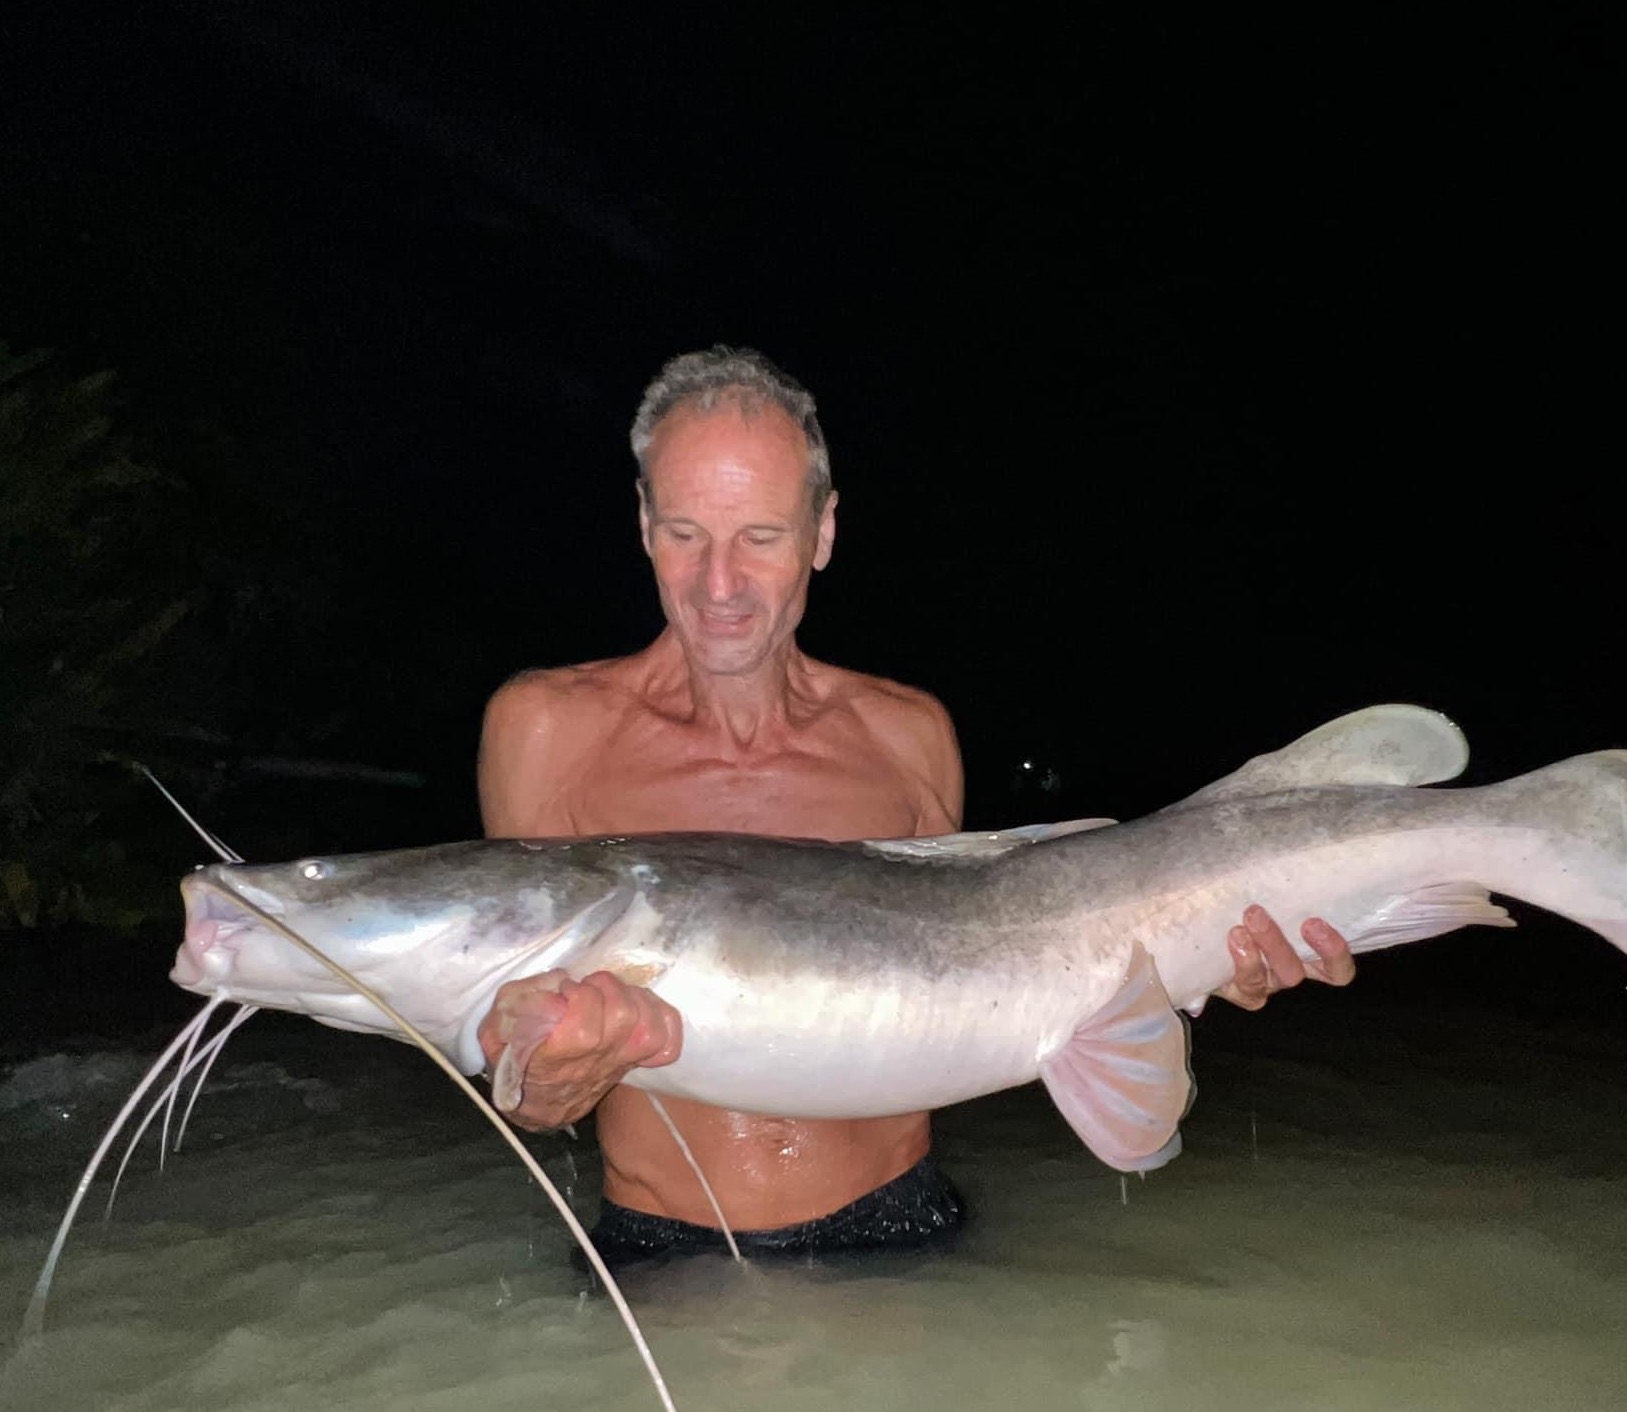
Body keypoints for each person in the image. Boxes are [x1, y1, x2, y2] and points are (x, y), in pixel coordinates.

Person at [473, 346, 1353, 1269]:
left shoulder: (908, 734)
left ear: (822, 531)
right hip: (659, 1247)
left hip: (903, 1231)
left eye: (760, 538)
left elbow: (1001, 976)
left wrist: (1203, 959)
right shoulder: (545, 729)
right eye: (686, 533)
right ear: (644, 522)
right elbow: (526, 1081)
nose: (718, 586)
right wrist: (550, 1077)